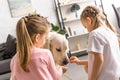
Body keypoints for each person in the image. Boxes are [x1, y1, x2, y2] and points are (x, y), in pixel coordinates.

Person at [10, 14, 67, 80]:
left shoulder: (14, 60)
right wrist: (61, 70)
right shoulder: (45, 54)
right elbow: (55, 77)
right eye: (45, 38)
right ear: (37, 38)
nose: (45, 40)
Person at [70, 6, 120, 80]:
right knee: (86, 67)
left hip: (105, 77)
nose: (87, 30)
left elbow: (99, 60)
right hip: (115, 75)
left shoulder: (94, 34)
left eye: (85, 26)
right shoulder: (109, 31)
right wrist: (79, 62)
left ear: (89, 20)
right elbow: (104, 59)